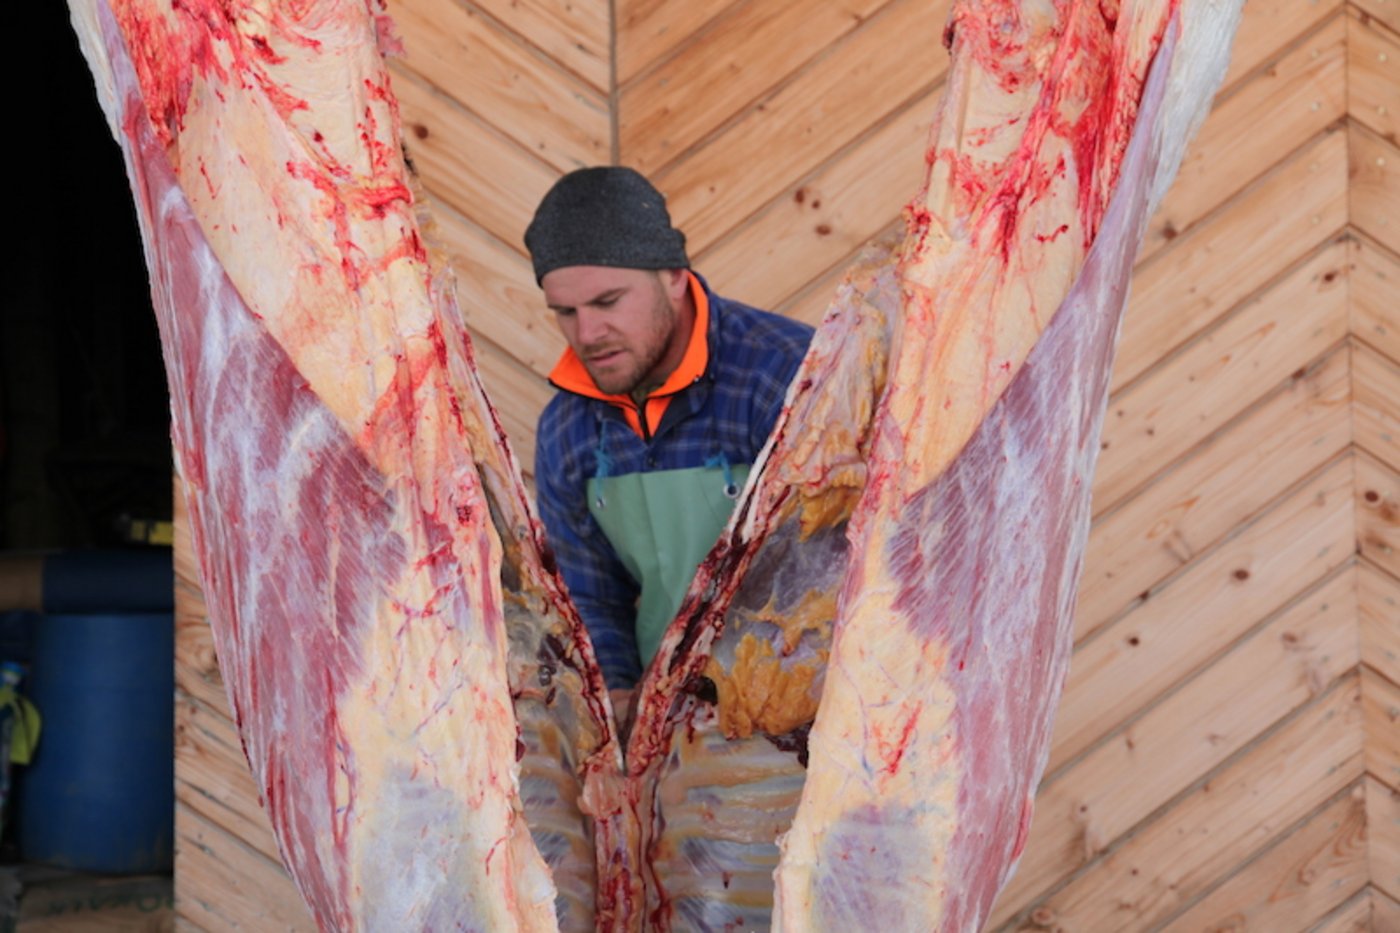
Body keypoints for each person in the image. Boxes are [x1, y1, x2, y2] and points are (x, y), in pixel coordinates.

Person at [527, 166, 813, 694]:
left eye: (608, 302)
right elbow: (593, 601)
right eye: (564, 311)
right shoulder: (566, 430)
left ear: (675, 276)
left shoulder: (787, 378)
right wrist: (615, 699)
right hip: (663, 727)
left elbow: (834, 577)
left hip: (802, 711)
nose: (587, 333)